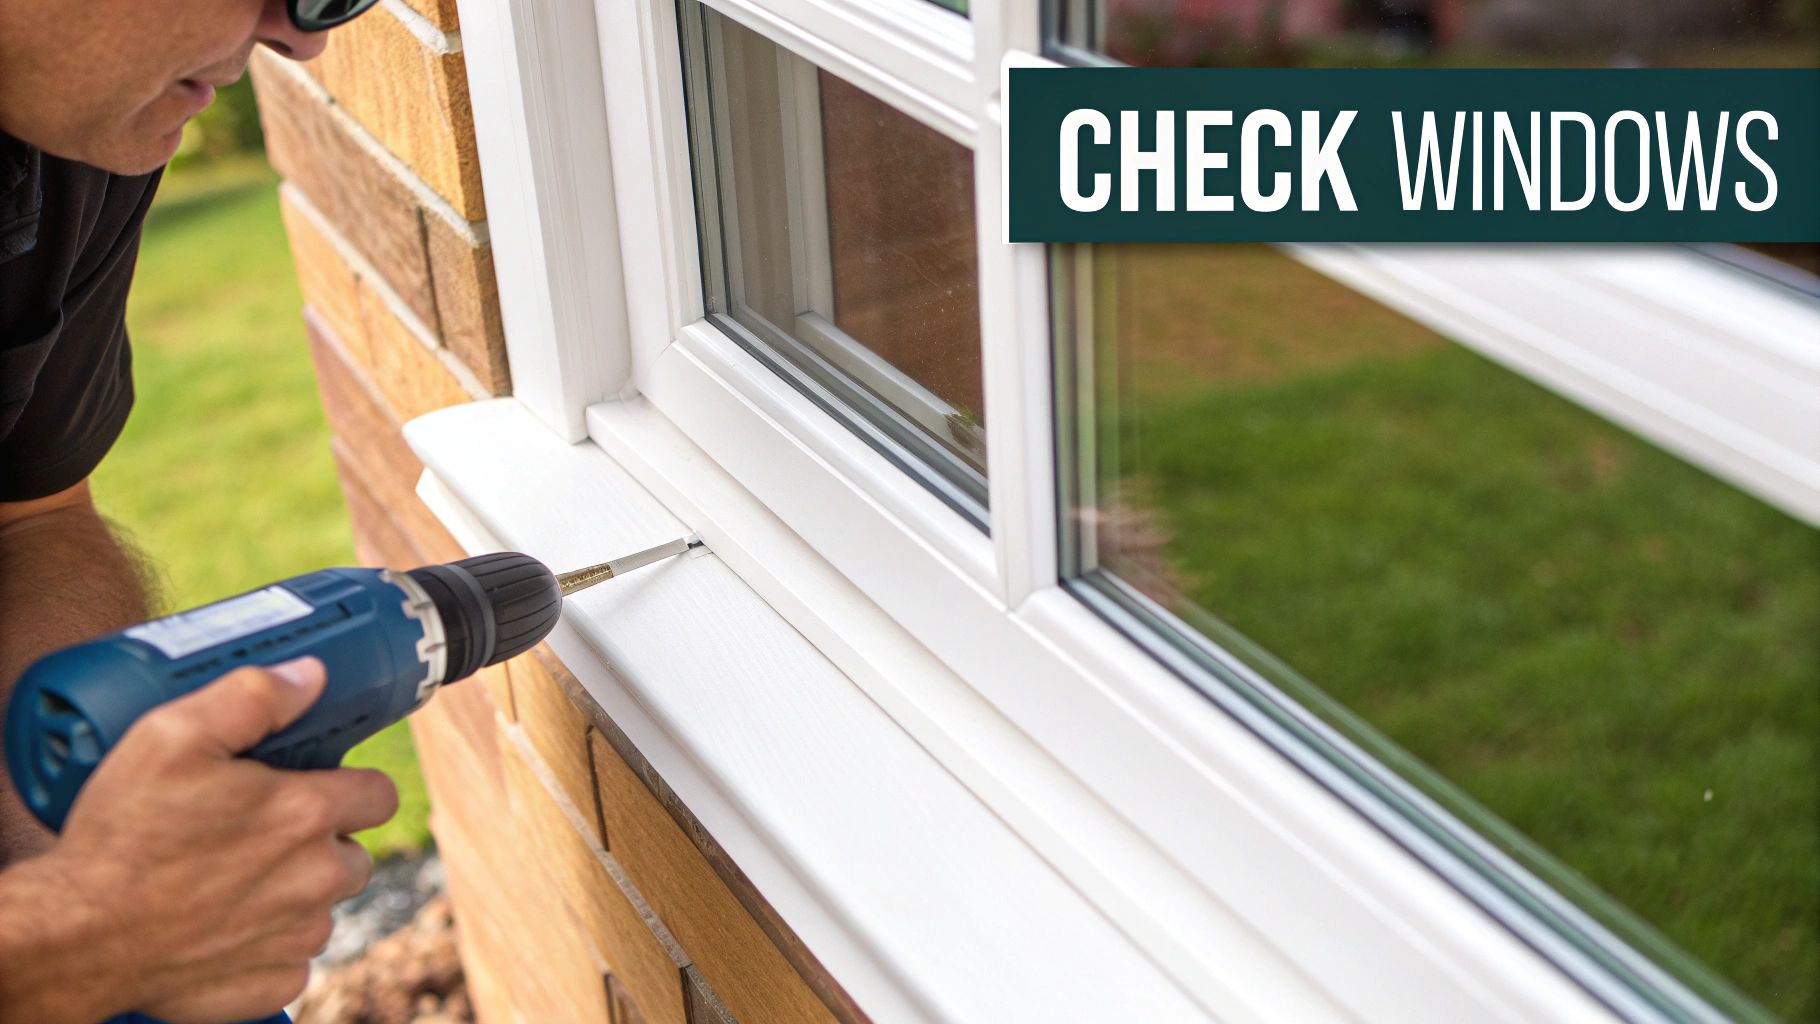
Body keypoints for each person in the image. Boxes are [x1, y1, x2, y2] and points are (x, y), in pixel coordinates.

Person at [0, 1, 400, 1020]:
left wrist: (110, 841)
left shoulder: (71, 116)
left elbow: (27, 518)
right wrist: (76, 932)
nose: (301, 36)